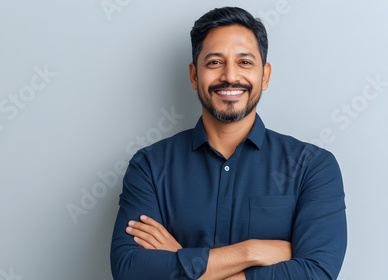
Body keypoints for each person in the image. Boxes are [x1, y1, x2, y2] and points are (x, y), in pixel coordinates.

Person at [110, 6, 347, 280]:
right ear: (194, 75)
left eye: (245, 62)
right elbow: (129, 270)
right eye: (214, 62)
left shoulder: (313, 167)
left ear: (265, 75)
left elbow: (316, 273)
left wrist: (184, 262)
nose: (231, 76)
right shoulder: (150, 166)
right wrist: (250, 251)